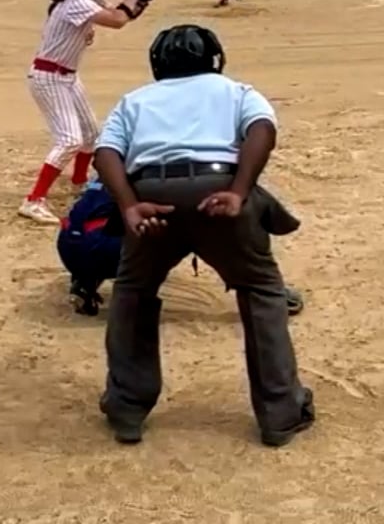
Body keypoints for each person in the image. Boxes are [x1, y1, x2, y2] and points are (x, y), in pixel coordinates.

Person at [93, 23, 315, 448]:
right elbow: (262, 131)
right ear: (215, 59)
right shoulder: (236, 91)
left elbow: (106, 154)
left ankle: (126, 408)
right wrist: (239, 191)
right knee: (262, 290)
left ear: (157, 64)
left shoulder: (134, 100)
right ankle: (281, 414)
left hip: (152, 196)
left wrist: (129, 206)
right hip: (219, 192)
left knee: (133, 291)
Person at [20, 0, 157, 224]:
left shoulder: (88, 0)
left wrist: (139, 0)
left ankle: (79, 181)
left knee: (91, 134)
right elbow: (118, 20)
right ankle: (33, 201)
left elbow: (120, 15)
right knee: (70, 139)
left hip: (67, 77)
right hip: (49, 78)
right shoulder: (77, 2)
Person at [58, 175, 307, 318]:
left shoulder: (113, 164)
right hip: (106, 249)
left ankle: (84, 283)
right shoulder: (157, 170)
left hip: (68, 247)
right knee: (191, 227)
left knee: (108, 223)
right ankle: (262, 290)